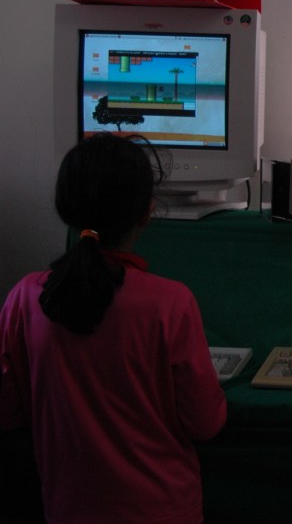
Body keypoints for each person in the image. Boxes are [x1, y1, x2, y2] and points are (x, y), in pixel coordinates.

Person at [0, 133, 226, 524]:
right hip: (164, 511)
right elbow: (206, 423)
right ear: (147, 212)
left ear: (65, 207)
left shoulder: (23, 298)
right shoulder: (171, 303)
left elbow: (7, 411)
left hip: (66, 511)